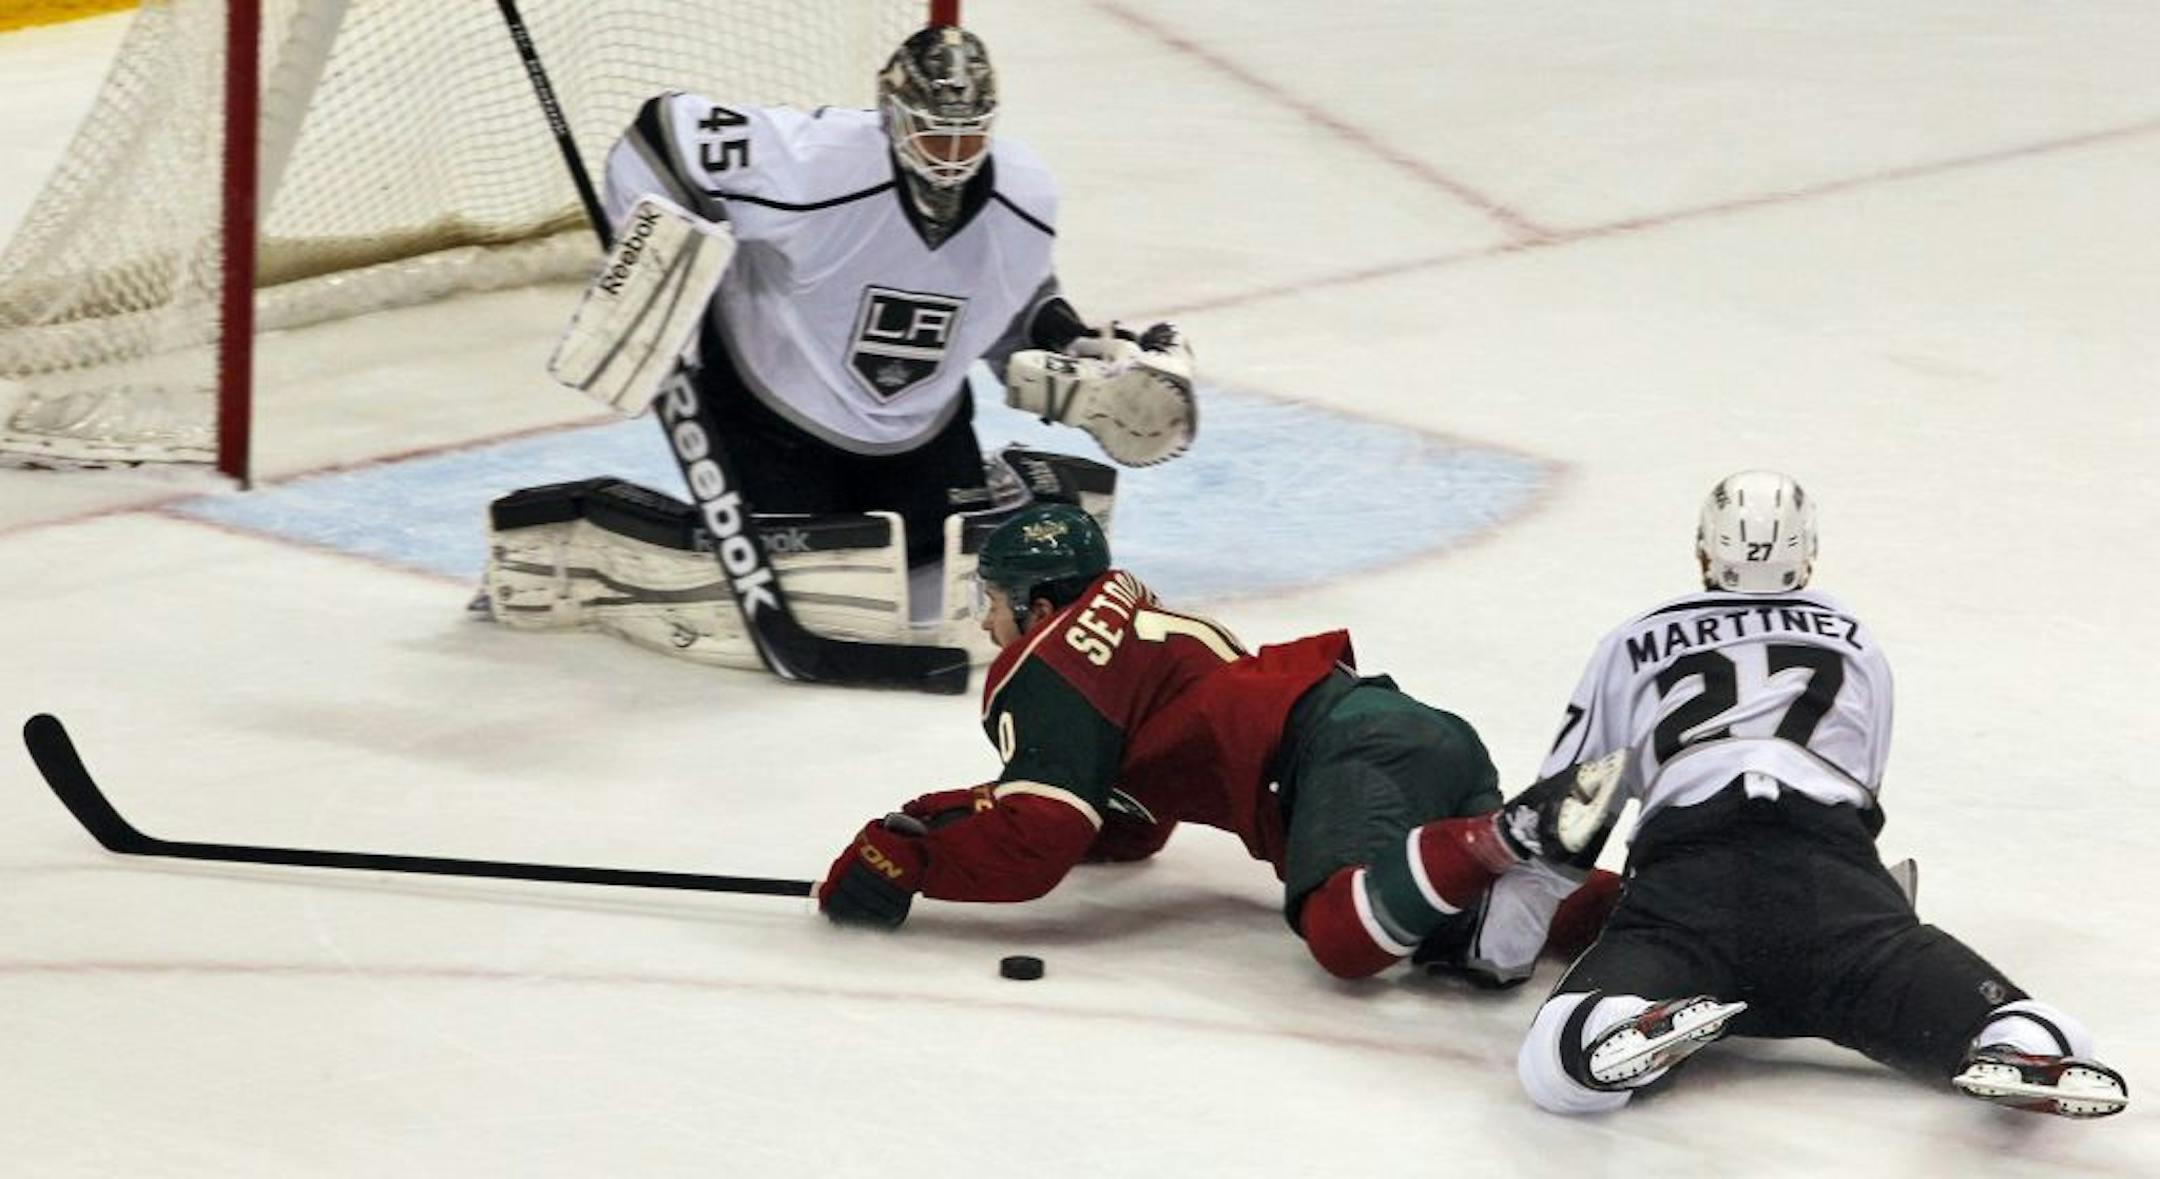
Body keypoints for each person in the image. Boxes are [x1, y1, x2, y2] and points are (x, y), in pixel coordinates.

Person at [1515, 471, 2129, 1119]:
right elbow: (1862, 795)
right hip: (1833, 886)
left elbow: (1567, 816)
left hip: (1687, 895)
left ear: (1703, 550)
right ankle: (2023, 1040)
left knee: (1553, 1067)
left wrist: (1498, 951)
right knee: (2005, 1009)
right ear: (1808, 552)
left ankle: (1616, 1023)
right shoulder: (1855, 640)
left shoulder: (1632, 641)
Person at [815, 503, 1626, 985]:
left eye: (991, 598)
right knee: (1486, 922)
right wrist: (962, 817)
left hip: (1336, 759)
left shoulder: (1050, 660)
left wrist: (910, 853)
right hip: (1402, 731)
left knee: (1343, 937)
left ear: (1039, 601)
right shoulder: (1124, 620)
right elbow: (1130, 820)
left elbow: (1042, 836)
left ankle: (1510, 834)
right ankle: (1675, 914)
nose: (986, 620)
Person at [595, 22, 1194, 567]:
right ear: (893, 115)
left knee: (935, 556)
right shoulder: (811, 163)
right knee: (808, 559)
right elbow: (661, 133)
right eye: (936, 139)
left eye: (968, 138)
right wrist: (648, 276)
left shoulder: (1024, 197)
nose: (953, 161)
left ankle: (1006, 477)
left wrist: (1070, 342)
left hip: (918, 425)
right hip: (768, 405)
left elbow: (1013, 300)